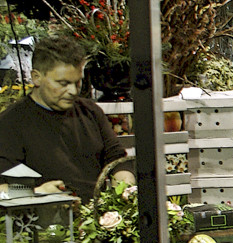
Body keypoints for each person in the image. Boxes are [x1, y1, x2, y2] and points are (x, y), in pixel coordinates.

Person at [0, 35, 134, 202]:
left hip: (96, 219)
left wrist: (124, 181)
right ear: (36, 78)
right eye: (63, 83)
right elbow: (2, 189)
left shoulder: (90, 112)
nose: (73, 91)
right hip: (43, 222)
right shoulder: (11, 122)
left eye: (78, 83)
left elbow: (117, 159)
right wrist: (36, 192)